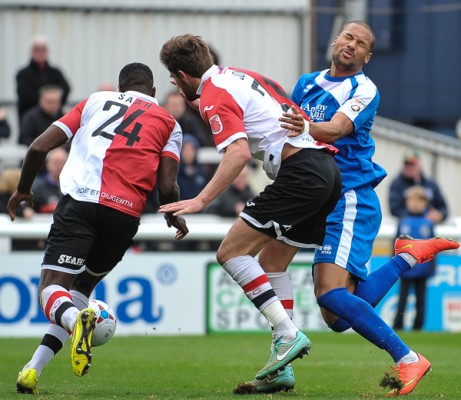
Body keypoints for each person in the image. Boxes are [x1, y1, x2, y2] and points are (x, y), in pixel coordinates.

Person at [235, 21, 460, 396]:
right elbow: (288, 132)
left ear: (368, 56)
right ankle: (282, 360)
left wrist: (302, 125)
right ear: (336, 40)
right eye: (348, 37)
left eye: (361, 44)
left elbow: (335, 129)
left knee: (331, 299)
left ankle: (408, 358)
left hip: (348, 196)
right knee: (287, 275)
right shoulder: (307, 82)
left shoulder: (364, 88)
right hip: (311, 193)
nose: (352, 45)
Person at [159, 33, 343, 380]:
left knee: (230, 253)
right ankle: (282, 370)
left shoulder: (214, 95)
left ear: (183, 76)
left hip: (300, 174)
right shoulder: (242, 76)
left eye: (172, 75)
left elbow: (239, 154)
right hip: (326, 171)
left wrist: (200, 200)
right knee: (272, 261)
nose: (172, 82)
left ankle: (287, 334)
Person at [8, 62, 189, 394]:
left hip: (81, 204)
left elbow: (38, 147)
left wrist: (22, 189)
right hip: (124, 217)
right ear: (152, 92)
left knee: (50, 290)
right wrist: (172, 213)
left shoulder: (94, 101)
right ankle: (32, 370)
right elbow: (167, 189)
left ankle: (77, 322)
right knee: (78, 292)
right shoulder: (169, 123)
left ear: (122, 90)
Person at [393, 186, 436, 331]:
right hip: (405, 267)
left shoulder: (428, 223)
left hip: (422, 268)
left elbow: (433, 246)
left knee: (421, 300)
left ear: (425, 203)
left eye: (419, 201)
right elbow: (396, 244)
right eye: (412, 200)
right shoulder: (403, 222)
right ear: (407, 202)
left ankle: (418, 327)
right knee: (402, 298)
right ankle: (398, 325)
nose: (415, 204)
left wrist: (431, 267)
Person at [16, 35, 70, 124]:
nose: (40, 52)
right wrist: (45, 100)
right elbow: (24, 95)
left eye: (43, 49)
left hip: (53, 119)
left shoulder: (55, 73)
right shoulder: (23, 74)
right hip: (31, 122)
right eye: (37, 49)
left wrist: (55, 103)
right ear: (31, 52)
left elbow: (66, 89)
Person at [389, 150, 448, 224]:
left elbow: (444, 209)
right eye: (407, 164)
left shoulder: (430, 184)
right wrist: (420, 214)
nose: (409, 167)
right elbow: (394, 209)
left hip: (429, 228)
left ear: (419, 164)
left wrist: (439, 215)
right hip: (407, 227)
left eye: (412, 164)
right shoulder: (397, 184)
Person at [177, 134, 208, 200]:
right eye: (185, 150)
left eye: (191, 150)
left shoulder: (202, 173)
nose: (188, 153)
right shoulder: (174, 175)